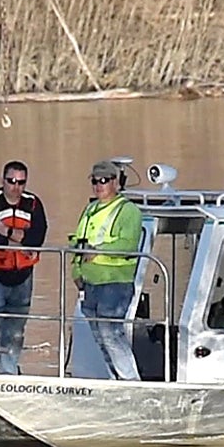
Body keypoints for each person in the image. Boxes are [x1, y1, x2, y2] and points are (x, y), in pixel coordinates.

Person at [0, 160, 48, 373]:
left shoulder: (33, 204)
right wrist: (19, 241)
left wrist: (9, 233)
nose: (16, 187)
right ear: (2, 180)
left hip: (23, 276)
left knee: (16, 330)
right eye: (11, 181)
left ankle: (9, 370)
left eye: (21, 182)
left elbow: (37, 237)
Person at [69, 161, 145, 379]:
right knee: (99, 336)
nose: (99, 185)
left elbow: (128, 245)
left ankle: (131, 380)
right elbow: (78, 241)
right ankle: (116, 379)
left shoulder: (128, 211)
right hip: (90, 284)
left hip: (115, 283)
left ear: (116, 183)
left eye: (104, 180)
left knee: (111, 333)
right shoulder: (90, 209)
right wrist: (76, 271)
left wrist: (98, 251)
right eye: (95, 181)